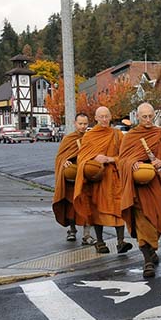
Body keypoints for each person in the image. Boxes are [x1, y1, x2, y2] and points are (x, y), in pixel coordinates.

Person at [119, 103, 161, 278]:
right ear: (137, 117)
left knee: (158, 220)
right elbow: (122, 161)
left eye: (150, 116)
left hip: (156, 183)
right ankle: (147, 260)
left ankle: (151, 250)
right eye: (144, 117)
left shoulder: (160, 134)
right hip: (138, 187)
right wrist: (131, 164)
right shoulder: (131, 136)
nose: (148, 120)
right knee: (142, 220)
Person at [73, 106, 132, 254]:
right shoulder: (89, 136)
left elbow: (126, 157)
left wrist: (110, 159)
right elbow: (81, 158)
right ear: (96, 118)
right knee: (97, 209)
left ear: (111, 117)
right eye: (102, 117)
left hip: (114, 177)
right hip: (98, 179)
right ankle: (100, 242)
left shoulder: (118, 135)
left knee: (119, 209)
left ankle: (120, 241)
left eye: (107, 116)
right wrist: (93, 159)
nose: (105, 119)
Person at [52, 113, 95, 245]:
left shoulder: (90, 139)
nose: (83, 126)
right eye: (80, 123)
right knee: (71, 206)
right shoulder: (68, 139)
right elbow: (60, 157)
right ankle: (72, 230)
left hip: (85, 178)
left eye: (85, 124)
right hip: (71, 178)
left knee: (87, 206)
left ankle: (87, 235)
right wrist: (65, 162)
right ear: (75, 123)